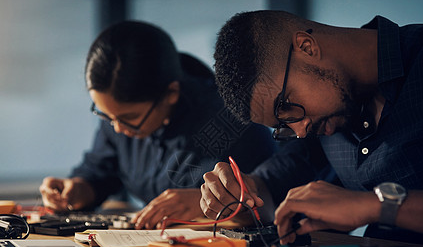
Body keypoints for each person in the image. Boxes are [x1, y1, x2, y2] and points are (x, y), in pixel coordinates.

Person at [200, 10, 423, 246]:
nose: (299, 130)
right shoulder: (324, 120)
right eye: (282, 125)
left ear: (307, 47)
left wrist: (375, 206)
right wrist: (239, 193)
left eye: (285, 106)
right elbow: (273, 184)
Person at [39, 20, 275, 229]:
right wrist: (78, 189)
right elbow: (100, 171)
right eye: (107, 116)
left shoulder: (233, 119)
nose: (118, 129)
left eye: (128, 118)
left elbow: (270, 200)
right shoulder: (118, 118)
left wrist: (207, 202)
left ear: (171, 93)